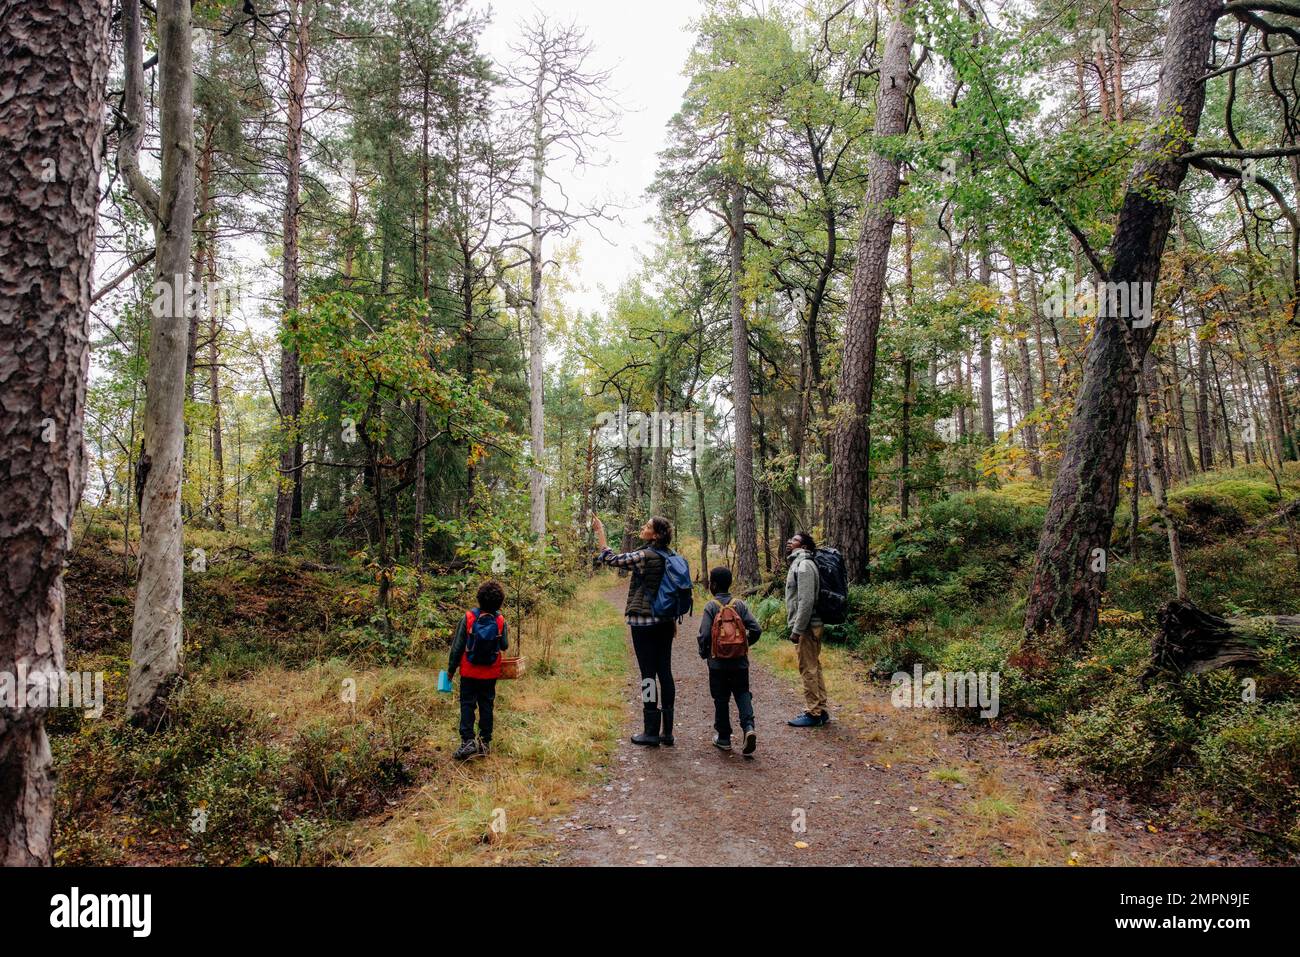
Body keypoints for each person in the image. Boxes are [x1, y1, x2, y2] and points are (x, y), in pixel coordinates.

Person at [591, 514, 678, 747]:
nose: (643, 527)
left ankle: (650, 731)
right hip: (665, 623)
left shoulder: (644, 556)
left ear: (656, 535)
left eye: (648, 526)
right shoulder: (671, 556)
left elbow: (611, 559)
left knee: (648, 675)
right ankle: (667, 732)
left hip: (643, 625)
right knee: (665, 673)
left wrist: (600, 532)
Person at [697, 566, 761, 755]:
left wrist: (704, 653)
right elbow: (756, 629)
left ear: (713, 585)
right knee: (742, 693)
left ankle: (724, 737)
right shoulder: (739, 605)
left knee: (721, 698)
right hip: (740, 661)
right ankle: (748, 727)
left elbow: (704, 635)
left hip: (717, 663)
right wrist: (745, 645)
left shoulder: (711, 606)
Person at [448, 580, 509, 760]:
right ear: (500, 601)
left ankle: (467, 741)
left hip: (469, 672)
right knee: (486, 705)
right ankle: (484, 743)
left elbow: (457, 647)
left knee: (467, 704)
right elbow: (504, 645)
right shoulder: (500, 620)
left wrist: (451, 670)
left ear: (479, 598)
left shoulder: (468, 617)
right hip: (490, 673)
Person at [785, 532, 829, 727]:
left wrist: (797, 629)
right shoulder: (800, 564)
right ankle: (821, 709)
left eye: (794, 540)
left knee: (808, 668)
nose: (789, 542)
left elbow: (806, 600)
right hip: (810, 625)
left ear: (803, 546)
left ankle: (814, 713)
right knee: (814, 666)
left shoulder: (804, 566)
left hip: (808, 626)